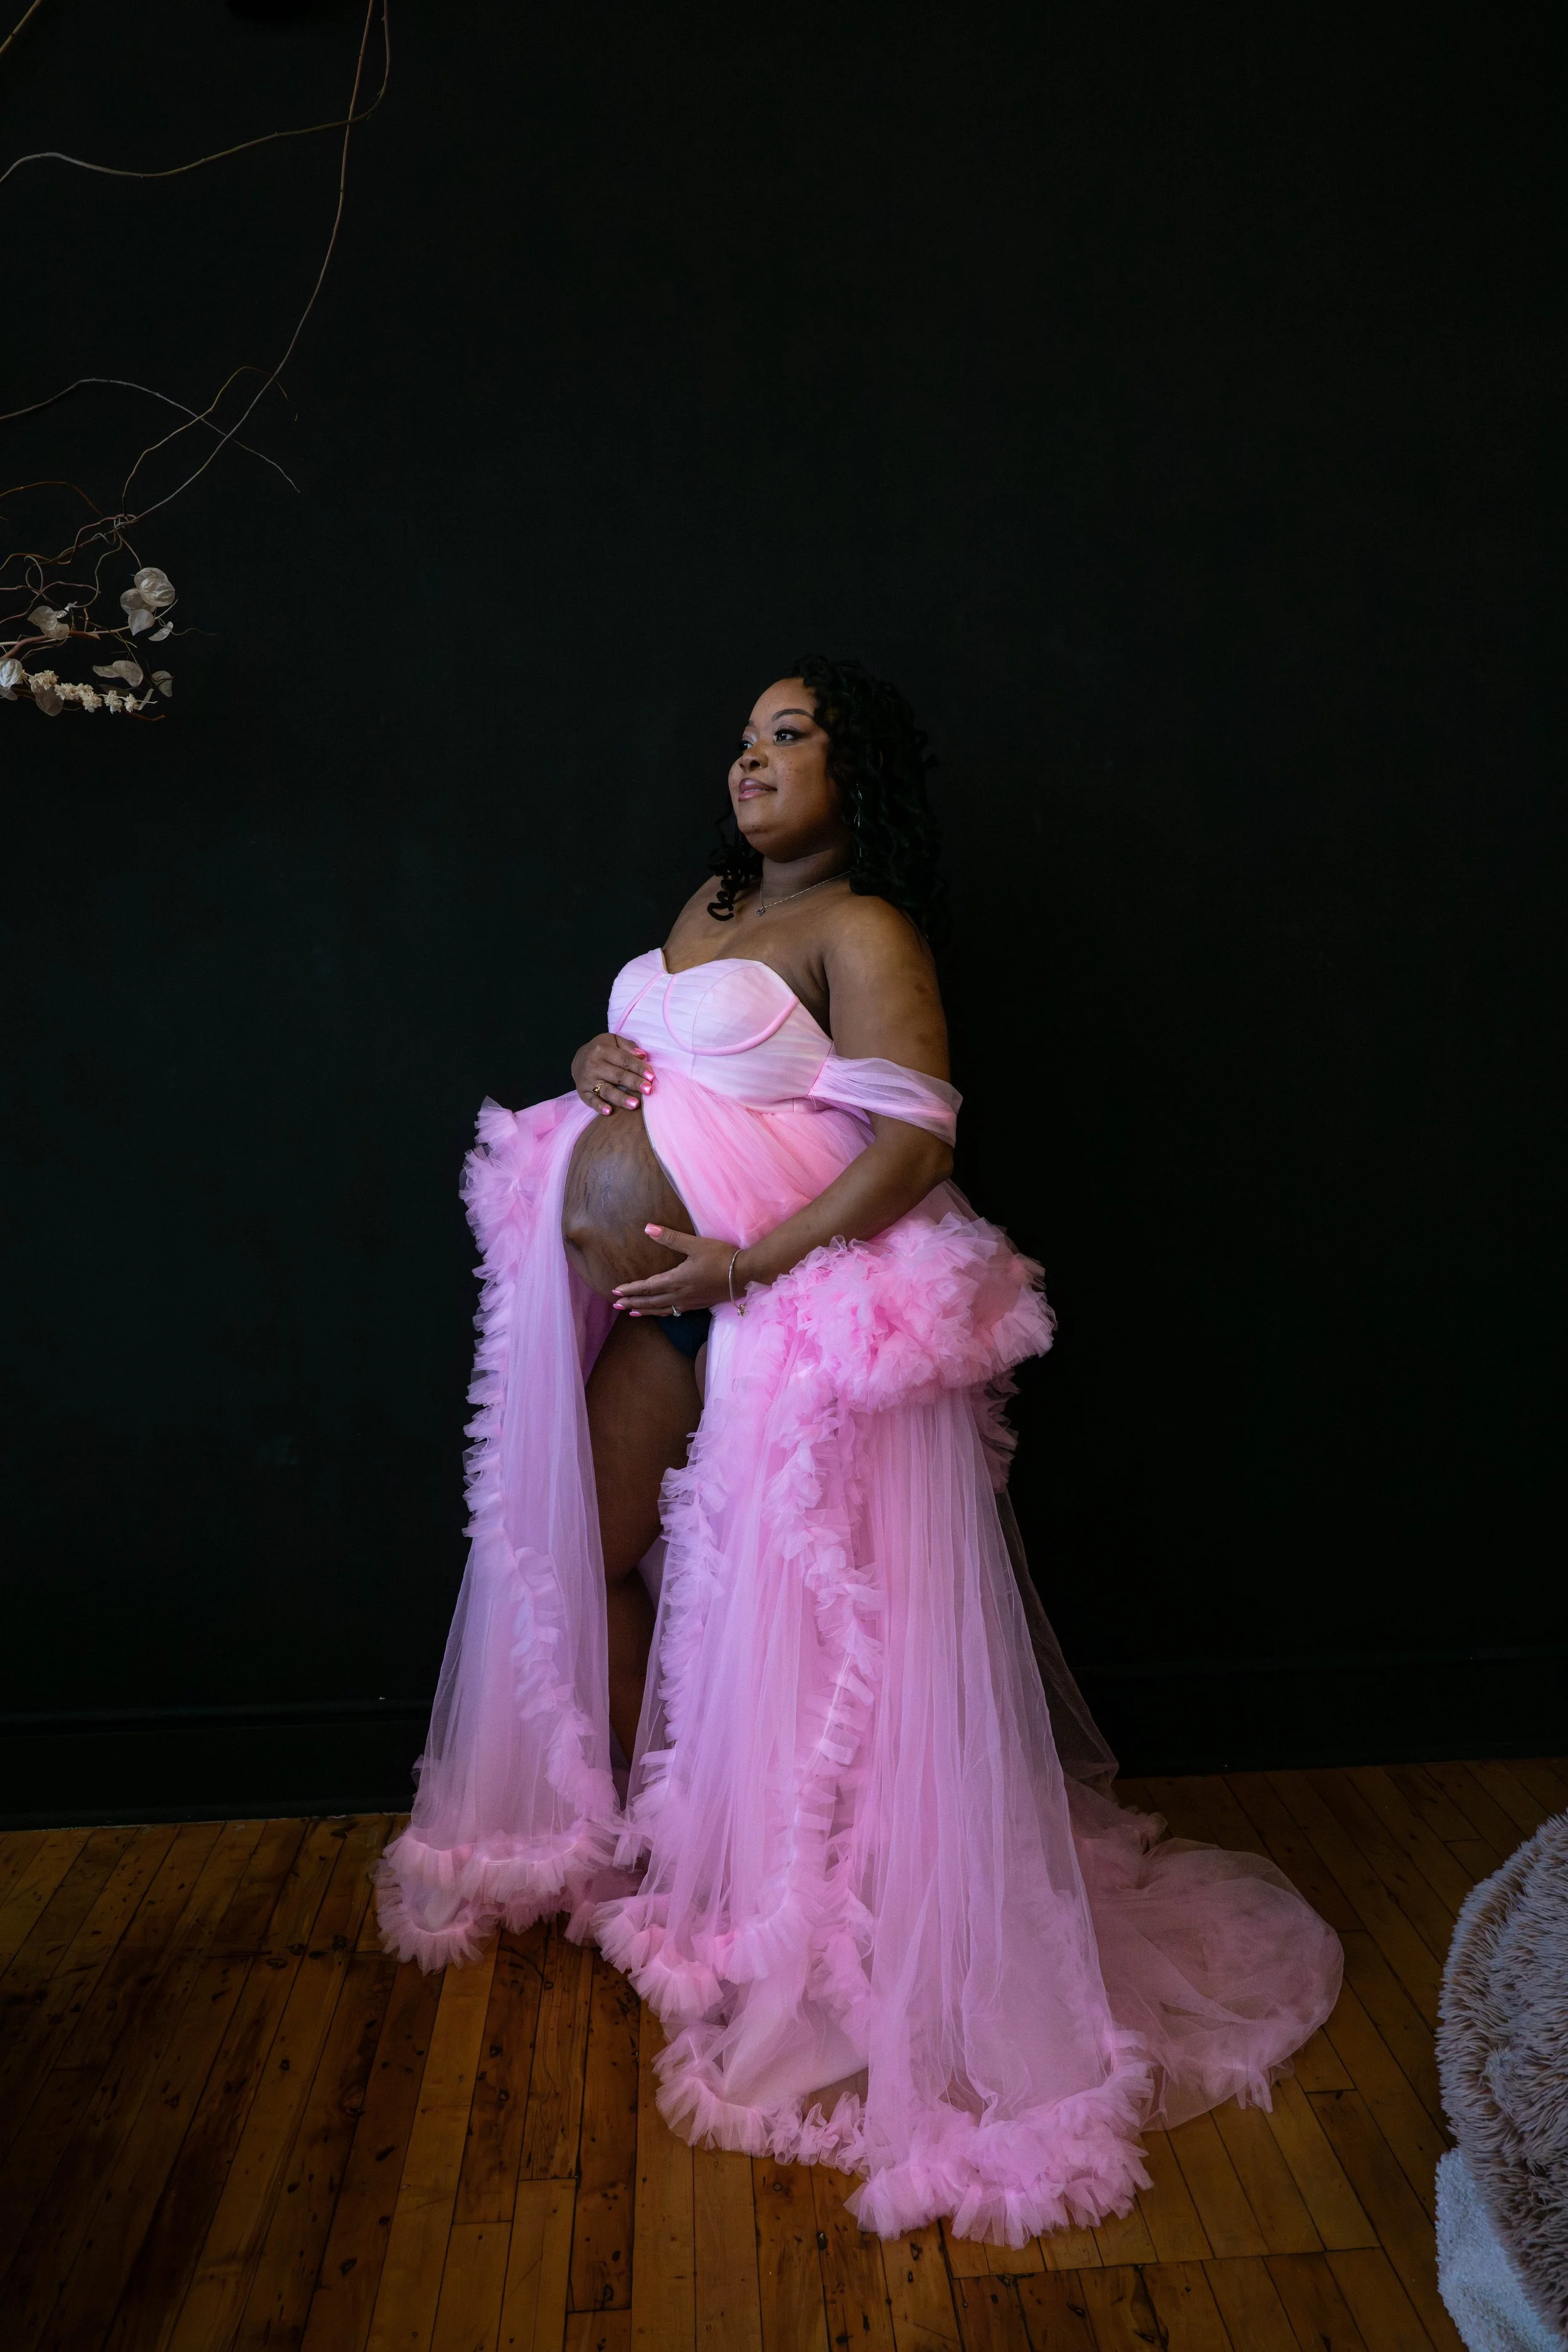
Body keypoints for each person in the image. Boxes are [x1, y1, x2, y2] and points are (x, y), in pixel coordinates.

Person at [376, 657, 1342, 2244]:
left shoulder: (862, 928)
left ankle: (798, 1921)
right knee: (582, 1558)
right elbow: (676, 1067)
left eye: (790, 735)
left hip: (779, 1317)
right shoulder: (704, 907)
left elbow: (912, 1141)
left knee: (799, 1637)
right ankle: (668, 1863)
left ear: (856, 773)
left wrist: (743, 1267)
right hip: (656, 1312)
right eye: (743, 738)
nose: (750, 759)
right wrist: (594, 1064)